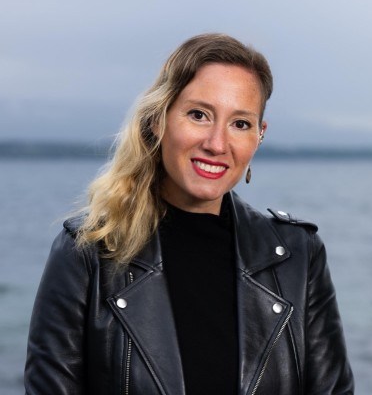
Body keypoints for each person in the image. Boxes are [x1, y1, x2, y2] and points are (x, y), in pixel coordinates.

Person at [24, 33, 354, 394]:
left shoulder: (299, 256)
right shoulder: (86, 252)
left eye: (240, 124)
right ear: (158, 120)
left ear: (259, 136)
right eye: (199, 115)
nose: (216, 144)